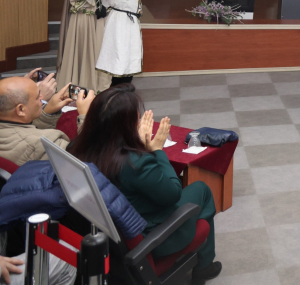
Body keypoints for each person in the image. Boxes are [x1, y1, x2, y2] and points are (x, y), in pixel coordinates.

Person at [67, 86, 222, 281]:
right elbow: (173, 194)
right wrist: (156, 150)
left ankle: (204, 260)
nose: (140, 123)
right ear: (127, 126)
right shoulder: (134, 163)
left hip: (105, 236)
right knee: (202, 189)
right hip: (150, 236)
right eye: (137, 120)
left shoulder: (76, 147)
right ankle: (204, 266)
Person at [0, 75, 93, 166]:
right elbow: (88, 157)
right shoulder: (45, 143)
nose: (42, 98)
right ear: (21, 110)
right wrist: (86, 116)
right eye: (37, 97)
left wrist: (47, 113)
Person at [56, 0, 108, 93]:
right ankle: (80, 83)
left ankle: (96, 83)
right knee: (83, 50)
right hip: (83, 18)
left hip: (99, 19)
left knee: (97, 51)